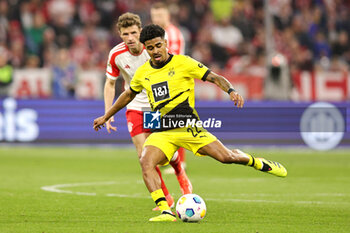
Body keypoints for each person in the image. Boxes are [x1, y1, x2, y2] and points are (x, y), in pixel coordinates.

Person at [94, 24, 287, 222]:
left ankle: (257, 162)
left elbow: (214, 77)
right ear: (146, 48)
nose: (155, 51)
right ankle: (166, 211)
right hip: (162, 131)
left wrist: (231, 91)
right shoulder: (143, 72)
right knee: (146, 162)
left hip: (189, 127)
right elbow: (127, 95)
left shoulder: (183, 63)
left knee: (226, 157)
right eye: (150, 48)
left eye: (158, 46)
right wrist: (106, 116)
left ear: (166, 43)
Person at [103, 13, 192, 210]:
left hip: (155, 106)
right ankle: (166, 198)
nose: (130, 37)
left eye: (134, 32)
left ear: (140, 31)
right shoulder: (116, 54)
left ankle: (180, 171)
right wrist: (108, 113)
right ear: (120, 34)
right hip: (134, 106)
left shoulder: (151, 48)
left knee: (162, 154)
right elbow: (110, 83)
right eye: (125, 34)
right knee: (144, 157)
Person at [150, 1, 186, 172]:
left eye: (160, 15)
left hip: (173, 83)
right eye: (155, 15)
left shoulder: (172, 34)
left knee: (175, 122)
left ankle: (180, 161)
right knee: (157, 120)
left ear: (168, 16)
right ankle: (160, 155)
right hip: (158, 83)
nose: (157, 18)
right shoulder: (153, 34)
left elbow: (174, 61)